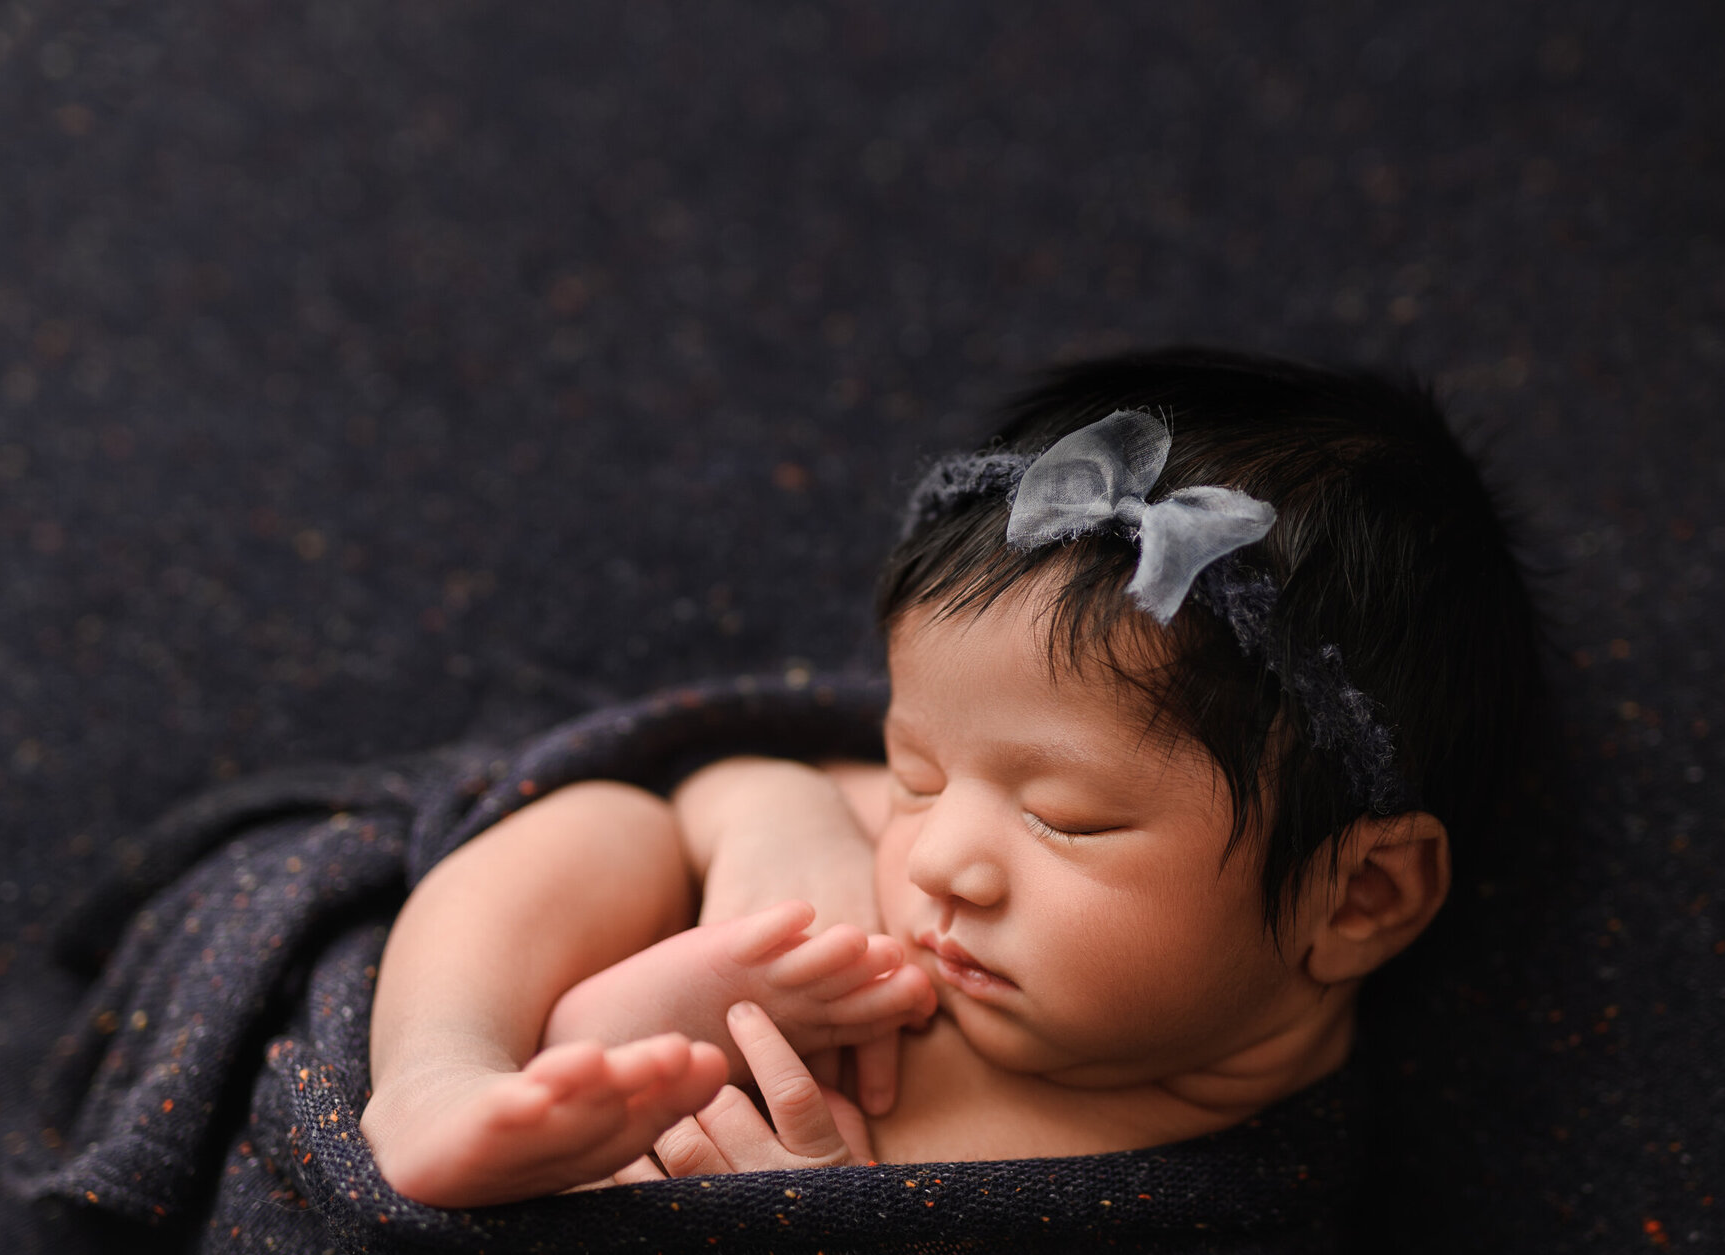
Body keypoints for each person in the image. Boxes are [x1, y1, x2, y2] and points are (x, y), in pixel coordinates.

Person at [358, 348, 1542, 1209]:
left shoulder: (1163, 1229)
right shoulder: (908, 848)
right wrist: (781, 826)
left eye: (1065, 819)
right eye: (914, 771)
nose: (935, 859)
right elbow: (715, 784)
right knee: (608, 822)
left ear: (1361, 896)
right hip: (527, 1058)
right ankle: (433, 1069)